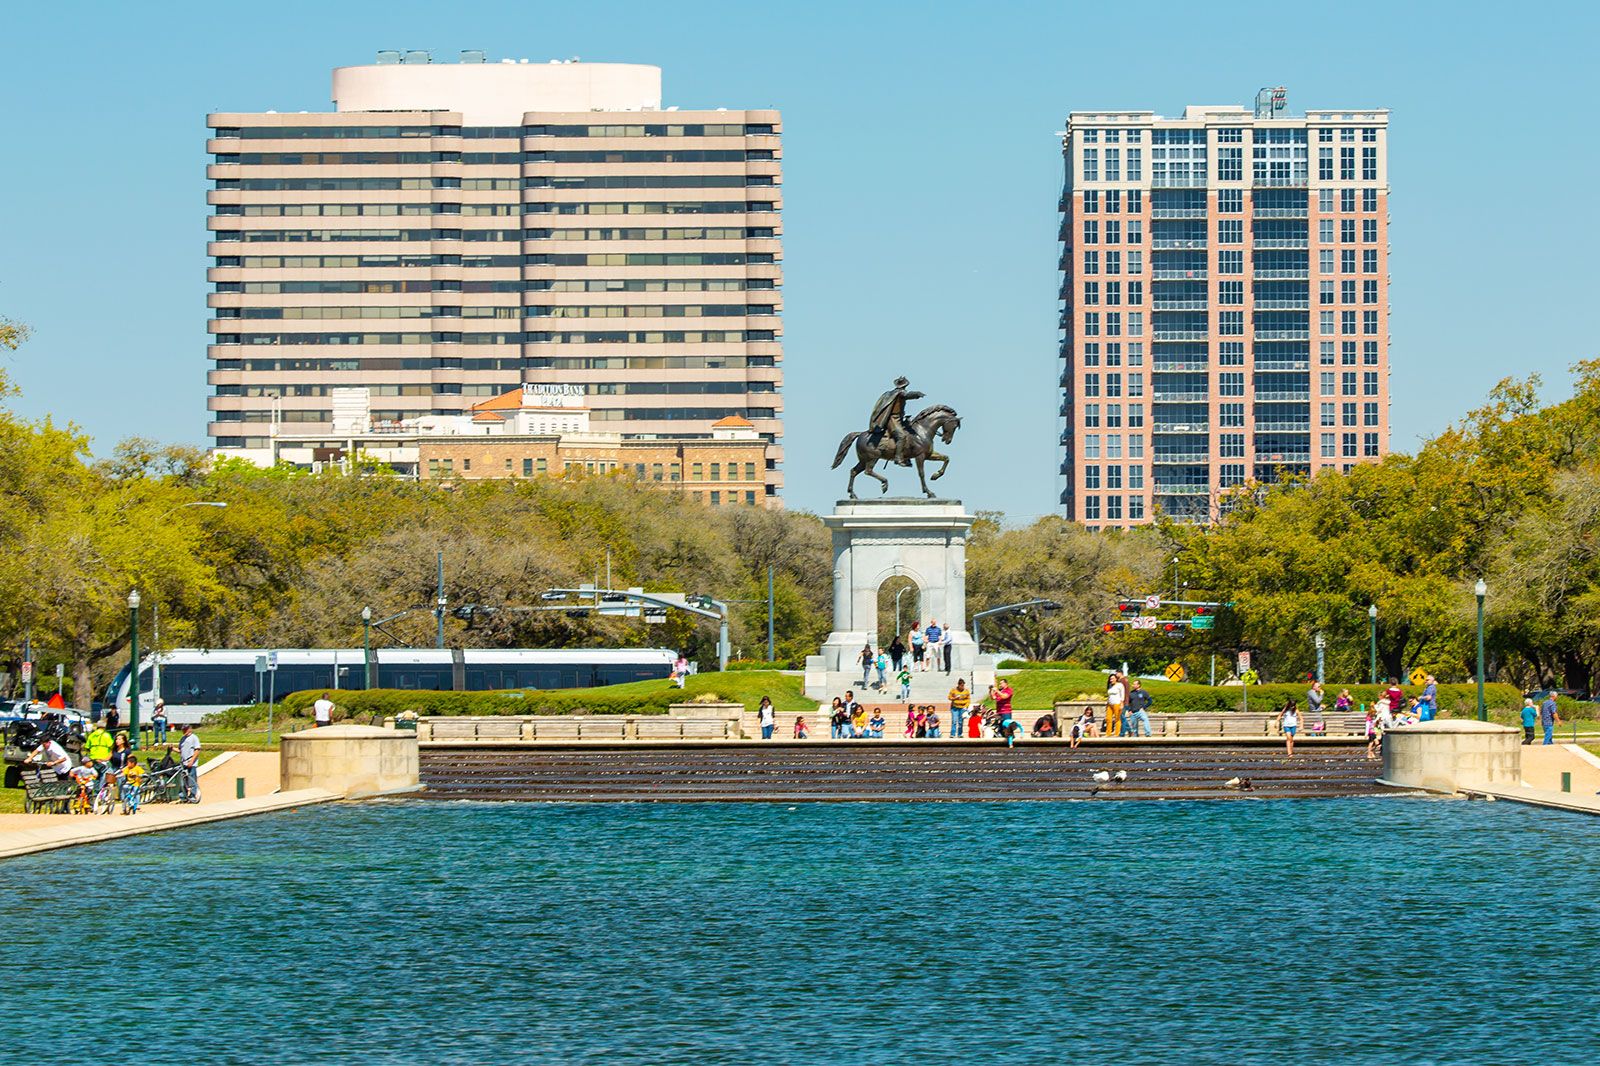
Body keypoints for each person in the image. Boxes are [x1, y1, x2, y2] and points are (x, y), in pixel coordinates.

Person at [179, 724, 202, 803]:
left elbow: (197, 750)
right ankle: (183, 796)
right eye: (183, 729)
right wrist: (172, 749)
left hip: (191, 763)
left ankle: (192, 795)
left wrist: (192, 761)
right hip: (183, 763)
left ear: (190, 729)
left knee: (192, 780)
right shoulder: (182, 739)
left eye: (185, 729)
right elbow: (181, 750)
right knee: (183, 780)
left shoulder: (194, 738)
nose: (184, 731)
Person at [1105, 673, 1126, 738]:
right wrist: (1107, 703)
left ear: (1116, 679)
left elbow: (1122, 694)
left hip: (1117, 703)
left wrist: (1122, 703)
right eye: (1110, 679)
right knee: (1108, 719)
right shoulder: (1110, 686)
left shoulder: (1119, 685)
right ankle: (1108, 733)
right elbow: (1109, 696)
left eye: (1113, 678)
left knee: (1117, 719)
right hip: (1110, 704)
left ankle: (1117, 733)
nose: (1111, 680)